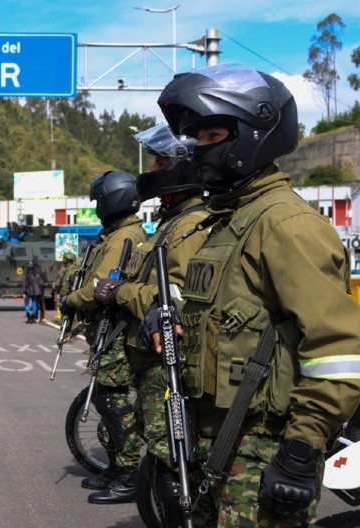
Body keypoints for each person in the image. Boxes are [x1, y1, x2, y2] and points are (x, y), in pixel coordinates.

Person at [149, 63, 360, 526]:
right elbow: (224, 313)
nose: (200, 148)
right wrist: (167, 317)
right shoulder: (227, 222)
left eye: (213, 135)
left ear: (253, 136)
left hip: (263, 447)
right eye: (197, 137)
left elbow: (338, 349)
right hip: (211, 440)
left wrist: (301, 448)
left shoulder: (285, 225)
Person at [87, 124, 210, 513]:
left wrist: (120, 291)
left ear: (180, 168)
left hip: (166, 362)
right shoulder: (173, 223)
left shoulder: (189, 228)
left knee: (169, 457)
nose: (151, 170)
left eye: (159, 162)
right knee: (159, 450)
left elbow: (174, 296)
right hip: (150, 359)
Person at [57, 170, 147, 503]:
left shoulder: (123, 237)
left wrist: (71, 300)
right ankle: (115, 466)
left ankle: (129, 474)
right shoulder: (116, 234)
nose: (97, 208)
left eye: (99, 201)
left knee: (114, 402)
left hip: (116, 332)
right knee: (106, 397)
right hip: (106, 330)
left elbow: (100, 287)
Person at [22, 257, 43, 323]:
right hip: (35, 292)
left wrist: (23, 292)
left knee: (26, 303)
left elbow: (24, 284)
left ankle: (28, 316)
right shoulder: (37, 275)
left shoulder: (26, 275)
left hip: (28, 291)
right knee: (34, 303)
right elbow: (41, 283)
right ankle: (33, 316)